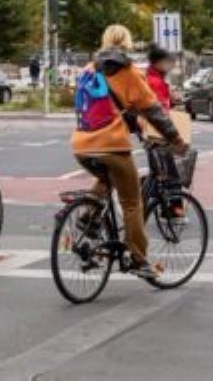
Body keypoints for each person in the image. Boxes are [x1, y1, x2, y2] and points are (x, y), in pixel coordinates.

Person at [72, 25, 186, 278]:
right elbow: (153, 109)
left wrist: (130, 122)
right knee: (132, 202)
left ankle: (88, 216)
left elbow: (95, 106)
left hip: (81, 145)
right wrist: (175, 138)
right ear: (128, 43)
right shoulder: (129, 72)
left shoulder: (89, 69)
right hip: (111, 144)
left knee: (109, 177)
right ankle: (138, 259)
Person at [145, 45, 174, 111]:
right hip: (158, 116)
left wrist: (171, 101)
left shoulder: (154, 78)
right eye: (167, 62)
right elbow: (160, 107)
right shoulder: (155, 81)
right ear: (158, 63)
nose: (169, 65)